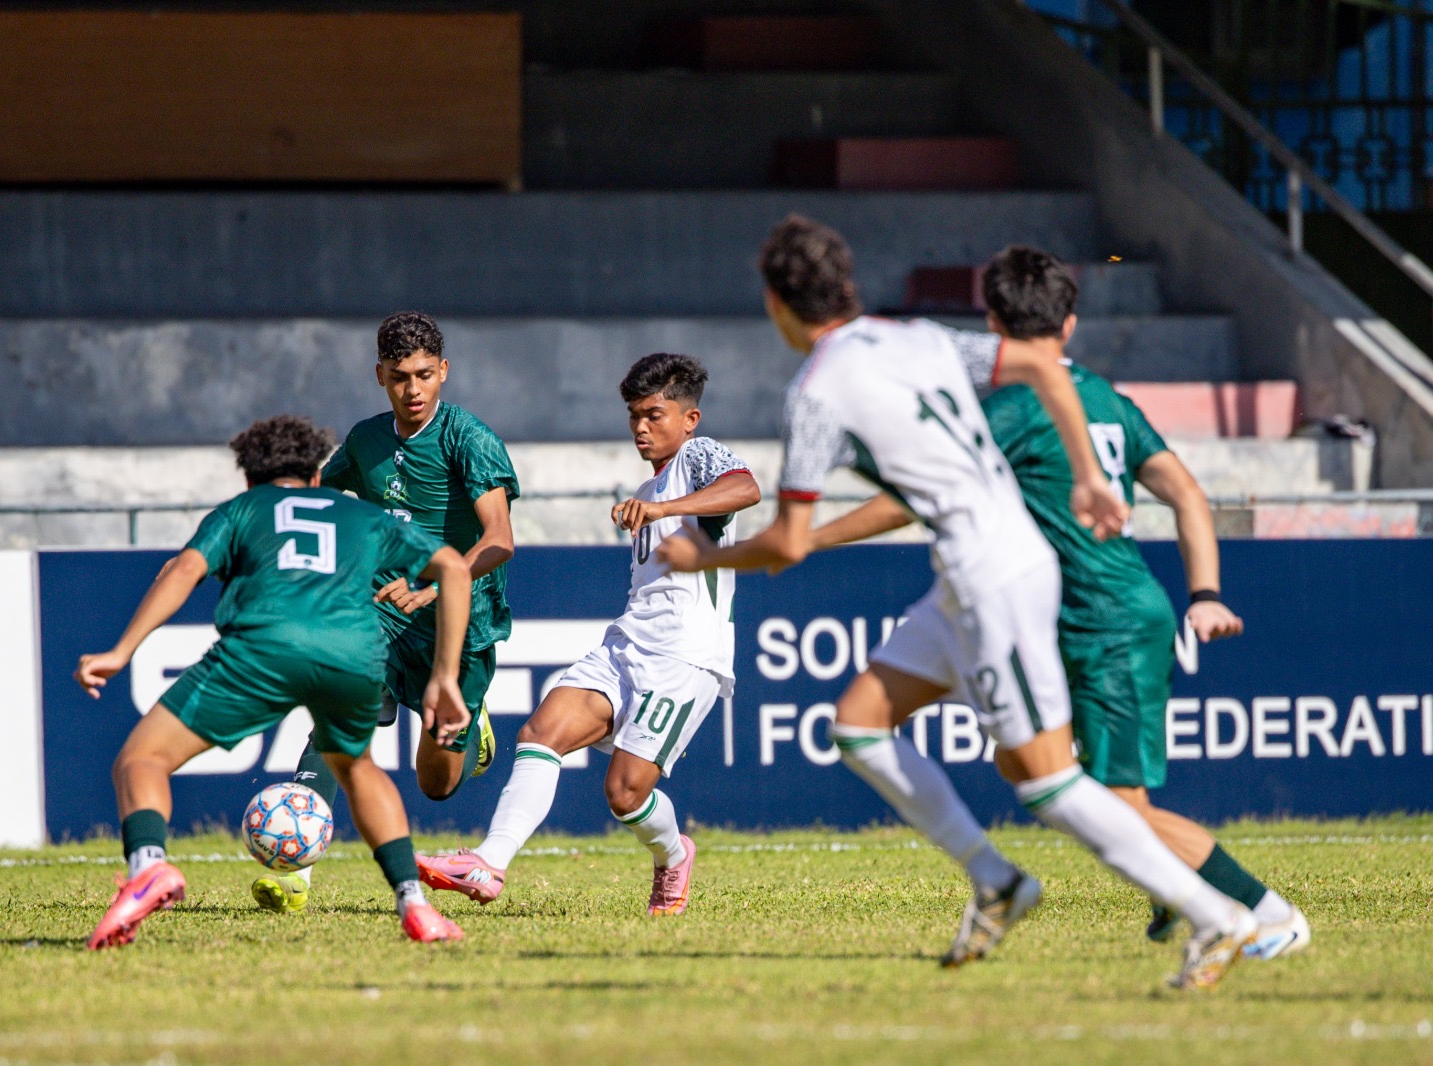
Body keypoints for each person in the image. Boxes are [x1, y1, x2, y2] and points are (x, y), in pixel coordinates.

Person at [658, 214, 1258, 989]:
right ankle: (997, 881)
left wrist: (705, 554)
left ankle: (1219, 916)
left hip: (991, 578)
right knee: (860, 722)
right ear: (848, 283)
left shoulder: (815, 392)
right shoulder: (917, 338)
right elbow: (1045, 367)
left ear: (777, 304)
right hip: (974, 570)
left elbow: (790, 544)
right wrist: (1088, 475)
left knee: (1048, 782)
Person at [975, 246, 1308, 959]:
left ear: (992, 322)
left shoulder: (1009, 407)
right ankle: (1169, 884)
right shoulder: (1104, 398)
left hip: (1110, 621)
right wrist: (1205, 594)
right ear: (1069, 324)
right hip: (1066, 623)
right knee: (1024, 764)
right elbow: (1187, 492)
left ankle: (1268, 911)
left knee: (1118, 807)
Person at [75, 415, 470, 949]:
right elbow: (453, 568)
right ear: (314, 475)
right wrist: (443, 677)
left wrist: (122, 650)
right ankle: (415, 905)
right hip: (352, 654)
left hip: (263, 647)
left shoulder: (243, 509)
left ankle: (149, 866)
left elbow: (182, 570)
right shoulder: (360, 514)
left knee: (141, 759)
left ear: (248, 479)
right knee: (356, 768)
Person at [417, 353, 761, 916]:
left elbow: (746, 488)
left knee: (625, 793)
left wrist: (662, 508)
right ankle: (489, 863)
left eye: (654, 414)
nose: (641, 428)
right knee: (541, 730)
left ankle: (674, 856)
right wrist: (656, 504)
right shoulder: (653, 483)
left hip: (685, 658)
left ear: (689, 419)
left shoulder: (698, 458)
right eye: (633, 416)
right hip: (627, 645)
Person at [253, 311, 519, 915]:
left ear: (444, 371)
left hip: (458, 619)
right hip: (378, 608)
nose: (414, 389)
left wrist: (434, 585)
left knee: (437, 783)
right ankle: (295, 871)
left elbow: (499, 537)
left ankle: (469, 725)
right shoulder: (366, 439)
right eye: (400, 377)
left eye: (425, 374)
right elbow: (318, 492)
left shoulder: (469, 439)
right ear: (380, 375)